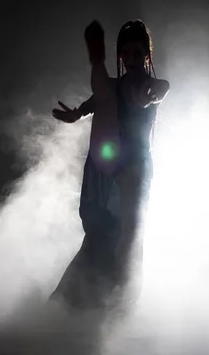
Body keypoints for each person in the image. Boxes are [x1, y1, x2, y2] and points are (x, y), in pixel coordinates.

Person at [50, 19, 170, 311]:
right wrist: (77, 113)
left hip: (134, 171)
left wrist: (151, 95)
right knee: (98, 233)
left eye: (137, 53)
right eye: (126, 53)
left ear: (146, 54)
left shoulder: (154, 84)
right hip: (108, 166)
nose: (131, 58)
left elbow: (151, 93)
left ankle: (116, 304)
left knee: (126, 237)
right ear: (120, 55)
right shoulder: (112, 87)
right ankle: (71, 305)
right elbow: (97, 100)